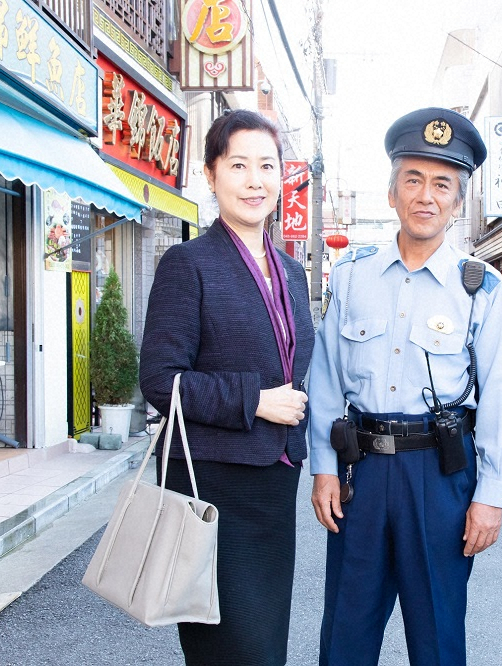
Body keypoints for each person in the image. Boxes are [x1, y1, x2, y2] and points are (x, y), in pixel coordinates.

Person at [308, 107, 502, 666]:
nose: (426, 195)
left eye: (442, 184)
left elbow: (498, 398)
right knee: (346, 633)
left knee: (438, 638)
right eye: (414, 179)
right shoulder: (352, 274)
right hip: (362, 473)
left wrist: (491, 498)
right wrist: (324, 468)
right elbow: (327, 377)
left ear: (458, 200)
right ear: (392, 191)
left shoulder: (482, 288)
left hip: (441, 477)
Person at [139, 109, 314, 666]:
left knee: (266, 644)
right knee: (228, 648)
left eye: (267, 166)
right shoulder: (186, 263)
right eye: (238, 165)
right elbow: (160, 380)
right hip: (211, 484)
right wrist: (256, 400)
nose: (255, 180)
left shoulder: (291, 271)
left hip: (272, 486)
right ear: (211, 175)